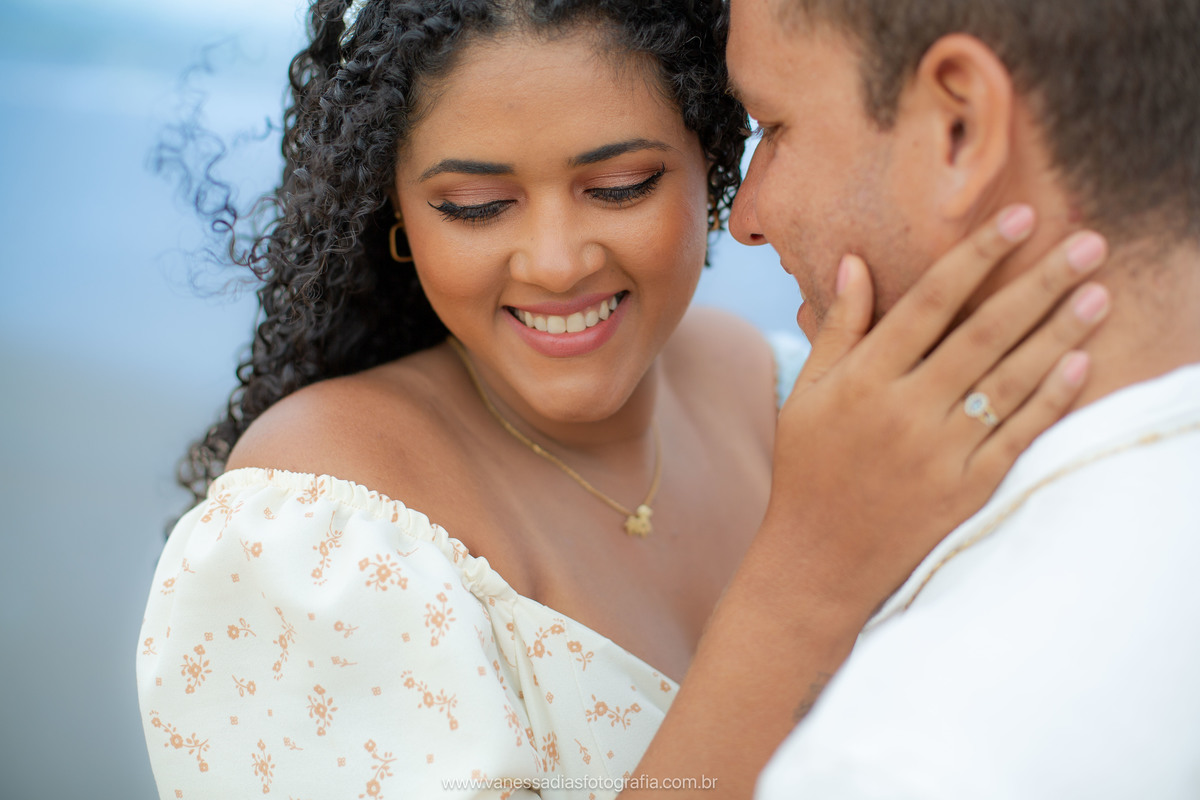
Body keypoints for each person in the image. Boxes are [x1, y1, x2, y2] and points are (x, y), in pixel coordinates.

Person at [136, 1, 1108, 798]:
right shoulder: (315, 533)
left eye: (622, 185)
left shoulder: (769, 384)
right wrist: (802, 581)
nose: (557, 261)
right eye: (475, 206)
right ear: (397, 212)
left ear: (715, 168)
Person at [720, 0, 1200, 797]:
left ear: (960, 130)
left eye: (771, 127)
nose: (746, 218)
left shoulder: (910, 753)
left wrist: (797, 585)